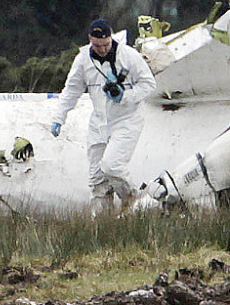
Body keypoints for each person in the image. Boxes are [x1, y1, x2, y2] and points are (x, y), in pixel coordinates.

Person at [50, 18, 157, 213]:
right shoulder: (83, 60)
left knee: (112, 166)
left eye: (105, 44)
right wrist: (59, 117)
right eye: (97, 45)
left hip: (127, 119)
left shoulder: (129, 56)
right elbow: (71, 90)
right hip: (99, 122)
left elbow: (149, 84)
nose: (101, 49)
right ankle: (101, 222)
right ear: (91, 41)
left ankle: (132, 200)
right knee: (97, 178)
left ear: (111, 38)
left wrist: (125, 96)